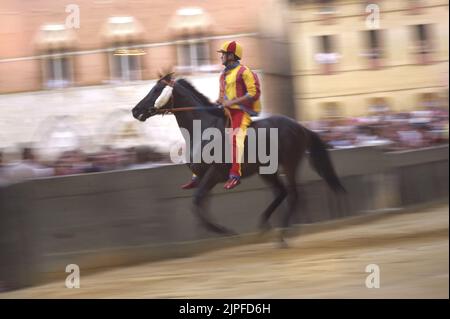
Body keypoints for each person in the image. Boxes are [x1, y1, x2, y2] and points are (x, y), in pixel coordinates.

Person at [181, 40, 261, 190]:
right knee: (204, 135)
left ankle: (235, 175)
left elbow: (253, 93)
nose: (221, 57)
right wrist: (215, 103)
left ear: (232, 55)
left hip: (240, 112)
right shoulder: (223, 75)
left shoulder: (245, 71)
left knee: (235, 139)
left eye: (223, 54)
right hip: (226, 111)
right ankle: (196, 174)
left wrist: (233, 102)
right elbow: (222, 96)